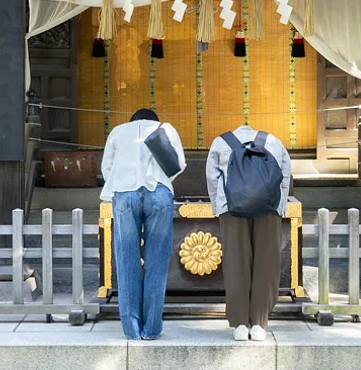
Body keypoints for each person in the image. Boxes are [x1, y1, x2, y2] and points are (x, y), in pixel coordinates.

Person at [100, 107, 185, 340]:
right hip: (158, 193)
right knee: (156, 260)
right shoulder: (165, 129)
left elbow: (107, 169)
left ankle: (132, 329)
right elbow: (178, 164)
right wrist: (163, 183)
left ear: (132, 121)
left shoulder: (118, 132)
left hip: (124, 192)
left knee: (127, 260)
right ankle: (152, 328)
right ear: (154, 120)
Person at [206, 124, 290, 341]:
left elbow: (212, 178)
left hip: (232, 210)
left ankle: (240, 324)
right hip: (268, 209)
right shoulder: (273, 140)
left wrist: (219, 208)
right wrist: (280, 208)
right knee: (267, 264)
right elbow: (285, 175)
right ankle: (260, 323)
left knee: (236, 264)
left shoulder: (220, 142)